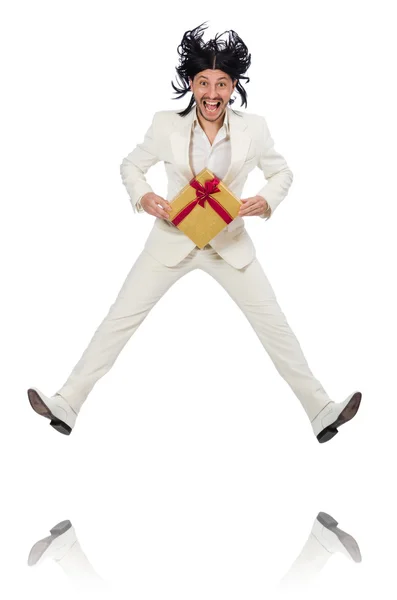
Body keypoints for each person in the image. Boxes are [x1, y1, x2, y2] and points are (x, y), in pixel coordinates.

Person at [27, 22, 361, 443]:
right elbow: (131, 165)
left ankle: (321, 411)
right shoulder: (165, 124)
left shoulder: (252, 128)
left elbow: (283, 171)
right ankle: (66, 403)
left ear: (234, 86)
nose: (212, 93)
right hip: (171, 241)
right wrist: (144, 197)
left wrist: (267, 199)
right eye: (204, 82)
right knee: (118, 320)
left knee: (275, 326)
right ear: (191, 83)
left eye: (222, 84)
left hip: (229, 245)